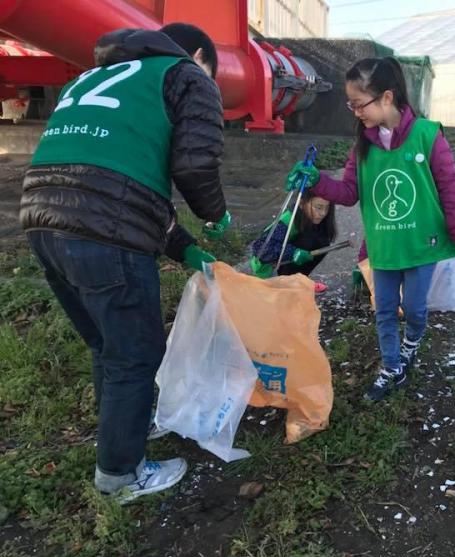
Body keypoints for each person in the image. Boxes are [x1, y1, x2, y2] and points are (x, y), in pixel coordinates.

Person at [20, 24, 230, 501]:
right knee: (135, 353)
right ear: (197, 56)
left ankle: (126, 430)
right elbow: (194, 166)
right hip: (103, 235)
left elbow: (119, 185)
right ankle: (120, 472)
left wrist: (185, 246)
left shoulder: (90, 78)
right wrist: (216, 214)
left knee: (107, 345)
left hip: (41, 219)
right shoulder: (186, 74)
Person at [284, 56, 455, 402]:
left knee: (414, 308)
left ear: (387, 97)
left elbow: (450, 186)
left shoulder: (427, 136)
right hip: (383, 247)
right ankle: (391, 367)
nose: (355, 111)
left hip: (420, 245)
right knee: (384, 309)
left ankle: (411, 343)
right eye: (351, 104)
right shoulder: (363, 147)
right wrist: (317, 181)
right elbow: (349, 192)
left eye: (359, 103)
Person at [249, 191, 336, 293]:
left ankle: (299, 281)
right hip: (268, 268)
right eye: (318, 207)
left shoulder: (312, 218)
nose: (323, 213)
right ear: (301, 204)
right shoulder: (287, 221)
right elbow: (260, 248)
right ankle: (284, 283)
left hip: (286, 257)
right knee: (308, 242)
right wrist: (293, 252)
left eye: (327, 208)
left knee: (322, 241)